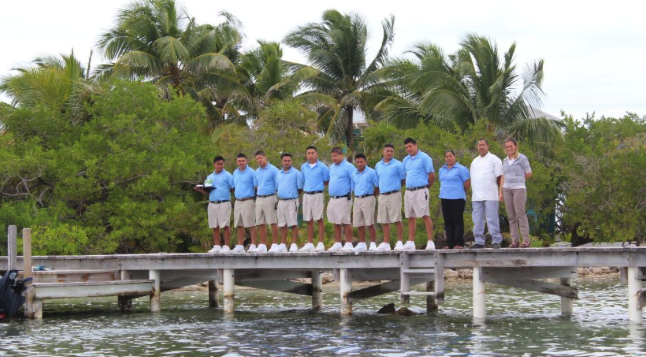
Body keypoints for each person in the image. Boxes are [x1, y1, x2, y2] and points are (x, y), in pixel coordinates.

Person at [194, 156, 233, 253]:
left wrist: (224, 193)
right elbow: (208, 192)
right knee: (214, 225)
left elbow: (233, 188)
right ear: (214, 164)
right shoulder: (210, 177)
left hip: (223, 202)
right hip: (212, 203)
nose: (220, 166)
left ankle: (226, 246)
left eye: (222, 164)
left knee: (225, 225)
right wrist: (200, 190)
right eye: (218, 164)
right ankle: (217, 246)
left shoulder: (228, 175)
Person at [402, 138, 436, 251]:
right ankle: (411, 241)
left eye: (410, 146)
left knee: (425, 215)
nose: (408, 149)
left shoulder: (424, 157)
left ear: (416, 145)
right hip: (409, 191)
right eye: (406, 147)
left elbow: (431, 176)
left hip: (421, 190)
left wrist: (426, 188)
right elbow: (406, 175)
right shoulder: (405, 160)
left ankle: (430, 241)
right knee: (410, 216)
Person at [469, 139, 503, 249]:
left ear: (487, 146)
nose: (481, 147)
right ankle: (479, 241)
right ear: (477, 147)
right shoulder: (474, 161)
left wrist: (500, 192)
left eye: (483, 145)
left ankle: (496, 240)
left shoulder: (494, 159)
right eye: (479, 145)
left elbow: (500, 177)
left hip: (491, 195)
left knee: (492, 218)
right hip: (477, 196)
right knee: (477, 219)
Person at [501, 138, 533, 248]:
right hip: (507, 188)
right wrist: (500, 192)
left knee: (520, 214)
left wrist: (518, 179)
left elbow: (528, 173)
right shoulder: (504, 161)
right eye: (507, 147)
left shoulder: (522, 158)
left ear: (515, 146)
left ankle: (526, 240)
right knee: (511, 216)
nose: (509, 148)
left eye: (511, 146)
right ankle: (515, 240)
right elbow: (503, 176)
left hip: (519, 188)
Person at [269, 153, 304, 253]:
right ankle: (283, 244)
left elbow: (300, 189)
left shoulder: (296, 173)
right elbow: (277, 187)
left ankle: (293, 244)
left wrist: (292, 195)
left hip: (291, 201)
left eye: (288, 160)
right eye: (285, 161)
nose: (287, 162)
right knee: (282, 224)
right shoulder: (278, 173)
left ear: (291, 161)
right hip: (281, 201)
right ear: (282, 162)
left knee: (293, 223)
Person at [375, 144, 405, 251]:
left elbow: (403, 180)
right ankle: (386, 242)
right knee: (384, 220)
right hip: (382, 195)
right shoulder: (378, 165)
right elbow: (377, 181)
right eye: (387, 151)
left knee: (396, 219)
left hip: (394, 194)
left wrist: (394, 187)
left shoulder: (398, 164)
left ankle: (400, 241)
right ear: (383, 152)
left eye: (391, 151)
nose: (389, 153)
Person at [438, 150, 470, 249]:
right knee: (448, 221)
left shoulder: (461, 169)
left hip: (457, 198)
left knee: (457, 221)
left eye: (450, 156)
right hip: (445, 197)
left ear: (454, 157)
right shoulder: (441, 169)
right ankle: (450, 243)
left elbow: (467, 182)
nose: (449, 158)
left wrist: (463, 192)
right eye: (447, 156)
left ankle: (459, 243)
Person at [300, 146, 330, 252]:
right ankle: (310, 243)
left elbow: (326, 181)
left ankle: (321, 243)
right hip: (307, 194)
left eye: (312, 153)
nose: (310, 155)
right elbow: (303, 180)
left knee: (319, 218)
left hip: (317, 194)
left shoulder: (323, 167)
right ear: (306, 155)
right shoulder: (303, 167)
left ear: (316, 154)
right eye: (308, 153)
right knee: (308, 219)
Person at [327, 147, 357, 252]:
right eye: (332, 156)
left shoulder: (349, 167)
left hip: (344, 197)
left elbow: (354, 180)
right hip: (333, 198)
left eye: (335, 156)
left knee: (345, 220)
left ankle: (348, 243)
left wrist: (352, 192)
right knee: (335, 221)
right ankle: (338, 243)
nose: (334, 158)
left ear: (341, 155)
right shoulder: (332, 167)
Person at [351, 154, 379, 252]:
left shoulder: (371, 172)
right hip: (357, 199)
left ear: (365, 162)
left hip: (368, 198)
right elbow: (353, 187)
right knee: (359, 223)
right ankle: (362, 243)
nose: (359, 164)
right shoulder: (354, 173)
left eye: (361, 161)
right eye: (357, 162)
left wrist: (372, 195)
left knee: (370, 222)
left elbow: (377, 185)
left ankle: (372, 243)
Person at [254, 151, 279, 253]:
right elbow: (256, 185)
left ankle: (275, 244)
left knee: (272, 221)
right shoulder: (257, 171)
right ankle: (263, 244)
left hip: (270, 197)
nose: (259, 160)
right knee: (260, 222)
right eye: (257, 159)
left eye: (260, 158)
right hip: (259, 198)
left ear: (265, 157)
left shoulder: (273, 170)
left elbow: (278, 184)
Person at [232, 153, 258, 253]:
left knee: (251, 224)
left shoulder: (252, 172)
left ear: (246, 161)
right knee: (239, 224)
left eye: (243, 161)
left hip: (248, 200)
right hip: (238, 201)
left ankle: (253, 244)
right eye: (239, 161)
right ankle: (240, 245)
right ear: (237, 161)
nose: (241, 162)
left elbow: (256, 186)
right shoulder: (235, 173)